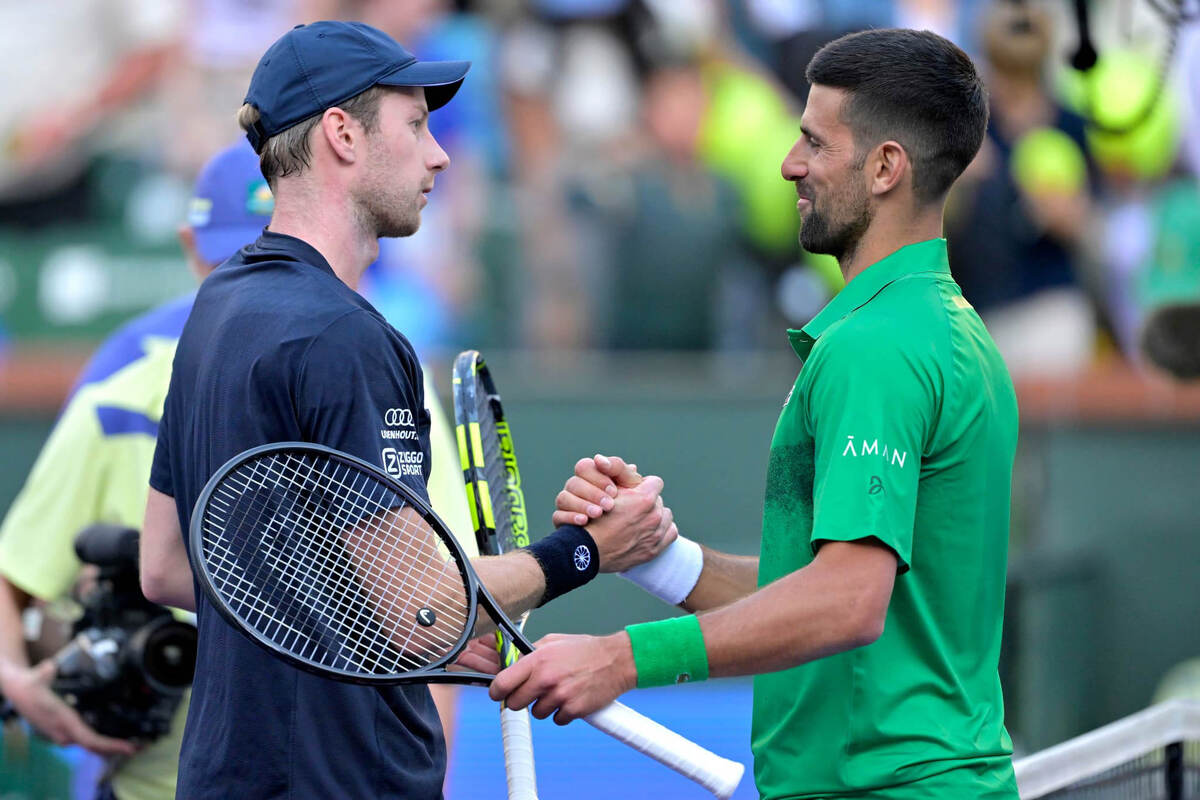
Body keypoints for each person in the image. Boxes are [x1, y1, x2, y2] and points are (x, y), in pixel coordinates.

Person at [138, 20, 674, 800]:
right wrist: (589, 549)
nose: (440, 153)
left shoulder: (215, 307)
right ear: (342, 136)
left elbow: (167, 566)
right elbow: (420, 612)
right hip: (343, 782)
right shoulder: (347, 337)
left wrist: (356, 622)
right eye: (416, 125)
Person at [490, 28, 1022, 799]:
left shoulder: (876, 348)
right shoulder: (949, 330)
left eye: (813, 141)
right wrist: (654, 556)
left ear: (885, 168)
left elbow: (846, 600)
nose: (789, 164)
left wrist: (620, 659)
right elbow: (822, 590)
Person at [0, 141, 272, 800]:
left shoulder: (384, 385)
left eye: (275, 253)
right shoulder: (121, 390)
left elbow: (432, 625)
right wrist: (18, 682)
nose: (252, 276)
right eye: (230, 254)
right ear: (188, 248)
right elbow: (15, 577)